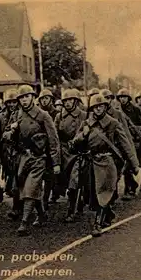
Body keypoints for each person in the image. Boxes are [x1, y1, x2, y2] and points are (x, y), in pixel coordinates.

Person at [69, 94, 139, 237]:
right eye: (96, 107)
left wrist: (134, 163)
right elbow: (74, 144)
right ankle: (108, 214)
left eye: (101, 106)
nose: (98, 109)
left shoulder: (113, 123)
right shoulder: (86, 123)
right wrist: (84, 134)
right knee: (92, 193)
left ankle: (97, 223)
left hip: (107, 162)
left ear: (106, 107)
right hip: (91, 162)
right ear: (92, 108)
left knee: (103, 191)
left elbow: (125, 144)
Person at [3, 85, 61, 236]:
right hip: (22, 157)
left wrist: (56, 162)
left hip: (38, 158)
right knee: (24, 187)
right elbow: (5, 137)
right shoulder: (16, 115)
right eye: (21, 98)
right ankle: (41, 214)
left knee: (31, 187)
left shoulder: (43, 115)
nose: (24, 100)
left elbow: (53, 140)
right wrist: (12, 130)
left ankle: (24, 223)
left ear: (33, 98)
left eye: (27, 96)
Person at [54, 89, 88, 222]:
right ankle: (77, 203)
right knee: (66, 180)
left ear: (76, 101)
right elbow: (55, 136)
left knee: (74, 181)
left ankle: (71, 210)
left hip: (78, 152)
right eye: (65, 101)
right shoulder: (59, 116)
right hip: (63, 152)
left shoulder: (84, 115)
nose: (68, 103)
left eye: (70, 100)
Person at [101, 89, 141, 200]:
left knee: (123, 169)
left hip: (118, 146)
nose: (105, 101)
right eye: (103, 98)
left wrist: (130, 150)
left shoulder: (117, 113)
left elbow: (125, 133)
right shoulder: (97, 113)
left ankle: (130, 187)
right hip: (105, 147)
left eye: (108, 98)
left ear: (111, 100)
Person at [0, 89, 22, 220]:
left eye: (14, 102)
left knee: (17, 182)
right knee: (11, 181)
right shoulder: (1, 117)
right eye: (9, 103)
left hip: (18, 151)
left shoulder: (21, 114)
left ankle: (17, 208)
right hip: (6, 153)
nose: (11, 105)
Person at [37, 88, 59, 206]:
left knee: (51, 175)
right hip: (41, 147)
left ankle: (48, 197)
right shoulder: (38, 114)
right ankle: (43, 199)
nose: (44, 101)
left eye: (47, 98)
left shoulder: (56, 114)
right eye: (42, 99)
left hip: (53, 146)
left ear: (51, 100)